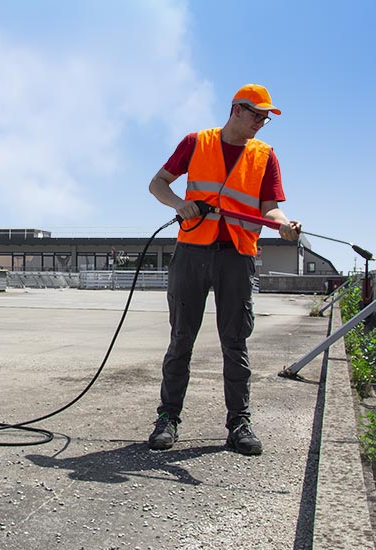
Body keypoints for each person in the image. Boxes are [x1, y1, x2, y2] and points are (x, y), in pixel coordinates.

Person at [146, 84, 301, 455]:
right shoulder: (196, 142)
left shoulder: (265, 156)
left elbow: (270, 207)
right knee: (182, 338)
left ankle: (239, 423)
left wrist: (283, 223)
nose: (262, 122)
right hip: (193, 250)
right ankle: (167, 418)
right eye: (257, 114)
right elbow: (157, 184)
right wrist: (179, 204)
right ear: (236, 109)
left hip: (237, 254)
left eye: (266, 117)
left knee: (235, 341)